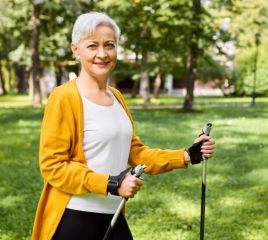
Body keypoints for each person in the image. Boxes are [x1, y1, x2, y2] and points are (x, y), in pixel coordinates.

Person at [32, 12, 215, 240]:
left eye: (109, 45)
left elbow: (136, 153)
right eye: (92, 46)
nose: (102, 54)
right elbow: (53, 166)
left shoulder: (116, 96)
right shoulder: (63, 97)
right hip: (75, 217)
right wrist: (110, 183)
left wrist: (187, 155)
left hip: (112, 215)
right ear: (76, 50)